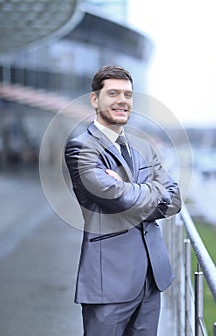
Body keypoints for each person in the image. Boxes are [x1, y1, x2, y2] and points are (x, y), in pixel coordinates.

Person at [65, 65, 181, 335]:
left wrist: (130, 188)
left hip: (151, 280)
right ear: (95, 99)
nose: (122, 101)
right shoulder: (81, 147)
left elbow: (174, 199)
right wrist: (149, 190)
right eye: (113, 93)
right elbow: (117, 200)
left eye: (128, 95)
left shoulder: (142, 146)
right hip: (109, 282)